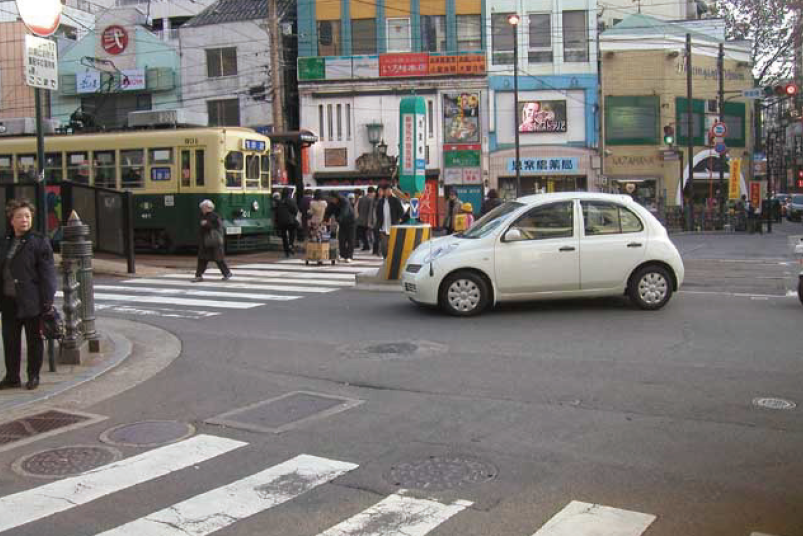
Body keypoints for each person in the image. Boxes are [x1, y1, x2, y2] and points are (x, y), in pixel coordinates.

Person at [0, 199, 57, 391]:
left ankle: (33, 376)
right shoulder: (5, 242)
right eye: (19, 216)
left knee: (34, 340)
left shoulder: (39, 242)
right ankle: (12, 377)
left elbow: (48, 274)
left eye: (27, 216)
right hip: (8, 301)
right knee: (10, 341)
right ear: (11, 220)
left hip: (31, 301)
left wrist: (47, 301)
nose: (24, 220)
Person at [192, 199, 232, 282]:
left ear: (208, 208)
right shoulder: (208, 216)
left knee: (215, 259)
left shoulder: (213, 216)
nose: (202, 209)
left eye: (203, 208)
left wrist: (206, 224)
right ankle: (199, 275)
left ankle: (226, 273)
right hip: (208, 242)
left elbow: (216, 227)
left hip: (212, 242)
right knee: (204, 259)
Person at [374, 185, 404, 258]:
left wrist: (398, 219)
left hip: (393, 225)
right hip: (383, 226)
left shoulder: (395, 200)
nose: (389, 191)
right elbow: (377, 212)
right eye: (387, 190)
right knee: (384, 244)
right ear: (384, 192)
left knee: (393, 243)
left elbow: (401, 211)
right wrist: (378, 223)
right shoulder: (381, 201)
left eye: (390, 190)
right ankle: (386, 257)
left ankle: (393, 257)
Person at [275, 188, 299, 257]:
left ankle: (286, 251)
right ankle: (291, 244)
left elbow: (277, 213)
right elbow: (295, 210)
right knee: (292, 232)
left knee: (284, 236)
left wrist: (277, 222)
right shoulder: (290, 200)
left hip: (281, 222)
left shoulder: (279, 201)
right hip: (290, 221)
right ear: (289, 193)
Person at [332, 193, 356, 263]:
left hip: (350, 223)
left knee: (350, 240)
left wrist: (338, 220)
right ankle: (343, 255)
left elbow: (344, 212)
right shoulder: (333, 203)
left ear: (336, 198)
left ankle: (349, 256)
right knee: (341, 239)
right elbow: (329, 211)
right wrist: (325, 218)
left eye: (333, 199)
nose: (332, 200)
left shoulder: (345, 202)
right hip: (342, 223)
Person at [356, 187, 375, 251]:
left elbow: (358, 209)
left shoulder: (361, 199)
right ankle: (368, 246)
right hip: (368, 220)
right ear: (372, 192)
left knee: (363, 234)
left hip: (361, 219)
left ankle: (366, 245)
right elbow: (371, 211)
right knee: (369, 234)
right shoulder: (371, 200)